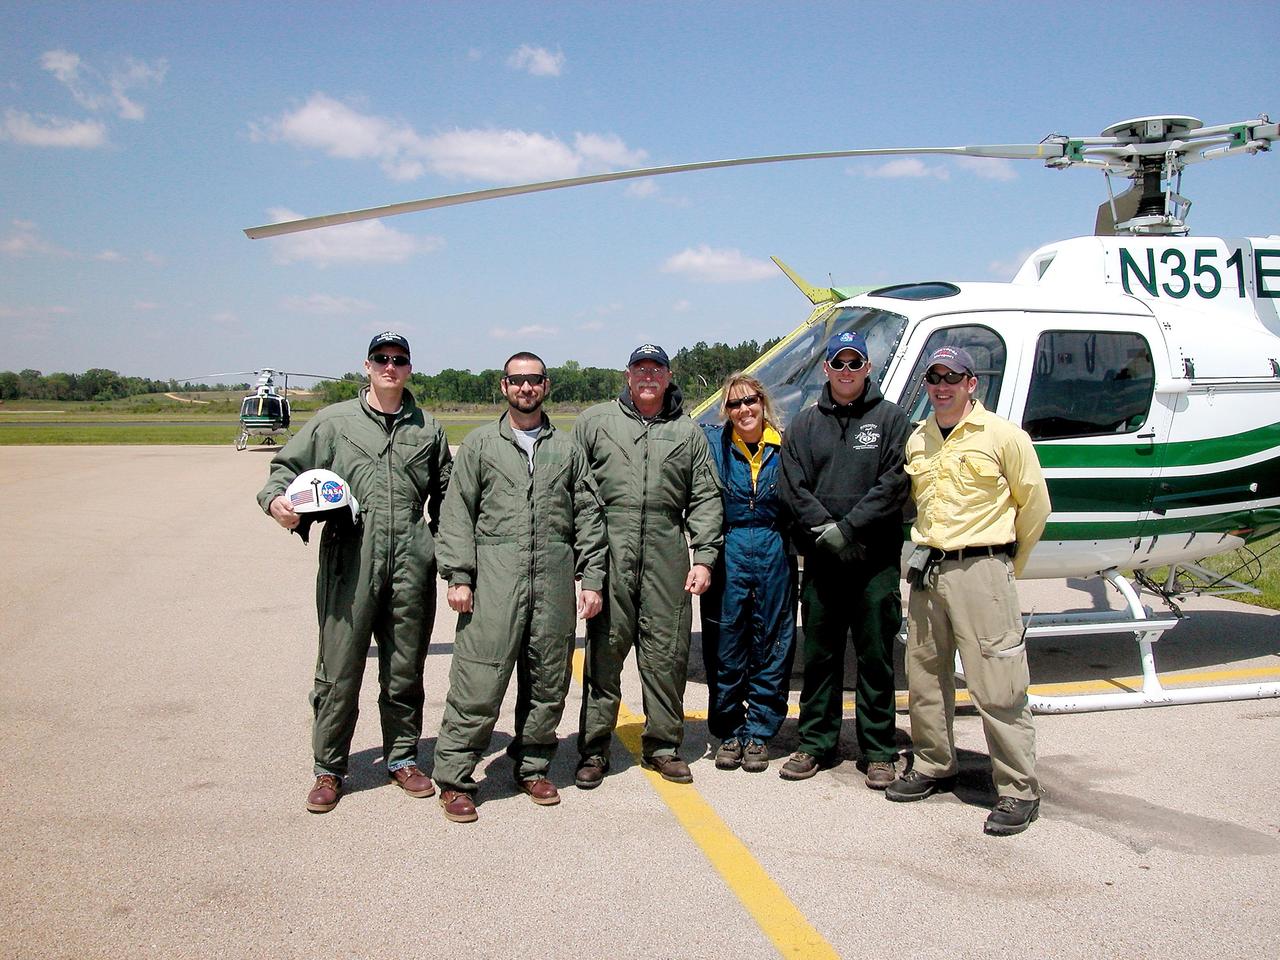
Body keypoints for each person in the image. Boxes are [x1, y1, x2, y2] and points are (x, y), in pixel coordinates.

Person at [257, 332, 452, 813]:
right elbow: (284, 470)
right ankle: (329, 768)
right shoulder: (334, 422)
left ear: (409, 368)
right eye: (382, 359)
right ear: (366, 366)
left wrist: (447, 556)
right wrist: (277, 502)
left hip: (411, 562)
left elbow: (448, 498)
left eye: (399, 360)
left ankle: (402, 758)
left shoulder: (428, 428)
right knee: (339, 670)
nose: (391, 367)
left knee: (404, 669)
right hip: (351, 561)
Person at [432, 352, 608, 823]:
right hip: (494, 578)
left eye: (534, 381)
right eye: (517, 381)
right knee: (478, 682)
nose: (526, 388)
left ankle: (531, 766)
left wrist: (591, 578)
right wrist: (459, 575)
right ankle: (454, 779)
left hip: (551, 579)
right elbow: (456, 514)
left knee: (548, 681)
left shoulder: (566, 449)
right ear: (504, 386)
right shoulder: (479, 445)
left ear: (545, 386)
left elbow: (589, 516)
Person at [887, 345, 1051, 836]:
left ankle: (1019, 788)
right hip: (928, 570)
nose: (942, 386)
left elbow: (1035, 507)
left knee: (998, 684)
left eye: (951, 377)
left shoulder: (1003, 436)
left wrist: (1003, 569)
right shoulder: (918, 440)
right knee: (925, 676)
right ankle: (935, 763)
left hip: (983, 567)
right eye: (934, 377)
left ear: (970, 383)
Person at [573, 343, 723, 788]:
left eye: (656, 369)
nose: (648, 376)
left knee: (667, 655)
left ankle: (663, 745)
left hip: (665, 547)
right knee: (604, 655)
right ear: (627, 374)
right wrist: (585, 565)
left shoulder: (687, 432)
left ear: (668, 375)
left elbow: (705, 497)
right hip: (610, 547)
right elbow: (577, 492)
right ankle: (594, 749)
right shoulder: (595, 423)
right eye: (640, 368)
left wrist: (706, 556)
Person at [779, 330, 911, 789]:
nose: (847, 371)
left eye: (856, 363)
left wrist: (849, 529)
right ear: (826, 369)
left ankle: (878, 749)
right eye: (839, 363)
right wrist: (826, 532)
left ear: (868, 369)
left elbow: (895, 482)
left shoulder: (892, 420)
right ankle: (815, 742)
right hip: (823, 562)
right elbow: (792, 487)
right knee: (821, 658)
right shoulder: (803, 424)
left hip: (874, 562)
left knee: (876, 658)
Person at [700, 373, 797, 774]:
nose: (744, 410)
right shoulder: (714, 444)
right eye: (734, 404)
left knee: (773, 641)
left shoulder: (786, 445)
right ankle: (729, 730)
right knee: (726, 642)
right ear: (726, 410)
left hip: (774, 549)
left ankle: (759, 730)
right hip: (730, 548)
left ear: (763, 402)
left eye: (750, 401)